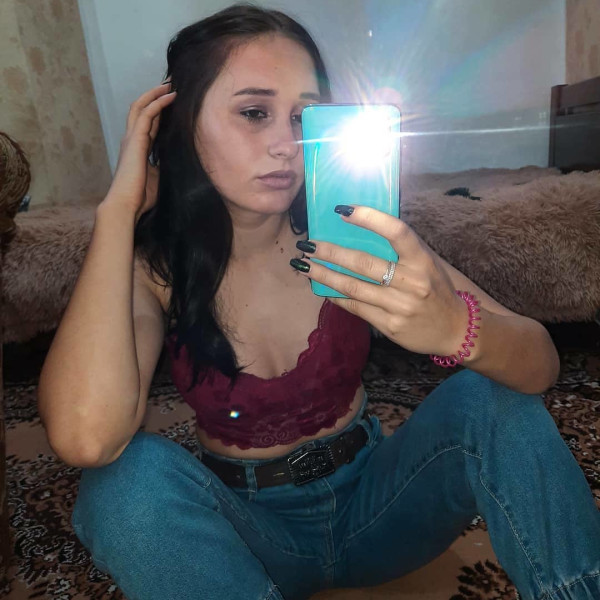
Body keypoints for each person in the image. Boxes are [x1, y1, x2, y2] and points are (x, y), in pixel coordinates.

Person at [37, 4, 600, 600]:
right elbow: (85, 438)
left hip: (381, 509)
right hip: (251, 539)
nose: (289, 144)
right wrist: (117, 212)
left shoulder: (355, 238)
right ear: (179, 125)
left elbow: (539, 366)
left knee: (490, 396)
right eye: (254, 113)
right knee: (123, 482)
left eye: (305, 117)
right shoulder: (158, 270)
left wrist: (458, 328)